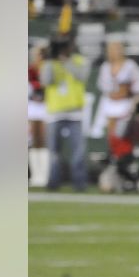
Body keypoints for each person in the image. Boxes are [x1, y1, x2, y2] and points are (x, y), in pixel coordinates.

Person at [41, 35, 90, 192]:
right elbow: (46, 80)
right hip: (55, 111)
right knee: (53, 152)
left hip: (75, 112)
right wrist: (51, 59)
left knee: (78, 152)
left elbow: (82, 76)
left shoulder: (79, 61)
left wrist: (66, 61)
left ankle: (79, 183)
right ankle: (53, 183)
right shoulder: (50, 63)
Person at [96, 38, 139, 163]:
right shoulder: (105, 67)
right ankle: (114, 157)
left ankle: (130, 157)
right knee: (112, 135)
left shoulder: (130, 65)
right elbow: (102, 85)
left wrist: (130, 90)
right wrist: (113, 93)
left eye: (116, 49)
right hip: (111, 105)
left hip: (126, 105)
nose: (114, 52)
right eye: (111, 49)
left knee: (128, 133)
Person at [28, 44, 50, 188]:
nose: (39, 58)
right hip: (31, 107)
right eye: (37, 55)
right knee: (34, 141)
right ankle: (36, 175)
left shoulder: (49, 69)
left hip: (46, 107)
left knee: (43, 140)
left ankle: (45, 175)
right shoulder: (30, 70)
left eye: (41, 55)